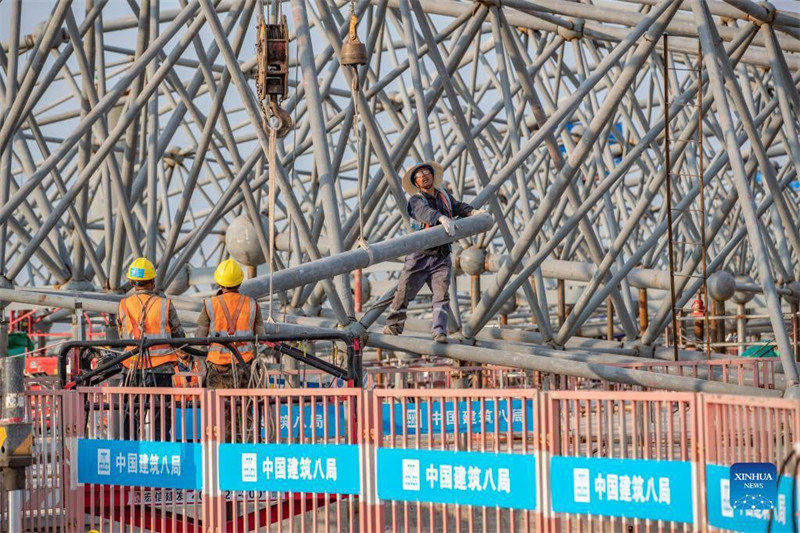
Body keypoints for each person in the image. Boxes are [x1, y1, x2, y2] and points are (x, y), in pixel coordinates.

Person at [383, 162, 484, 343]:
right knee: (404, 292)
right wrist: (440, 217)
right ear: (416, 183)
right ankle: (393, 325)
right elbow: (423, 213)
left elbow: (457, 206)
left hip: (441, 256)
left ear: (431, 175)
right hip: (420, 254)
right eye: (419, 175)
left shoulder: (443, 195)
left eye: (425, 172)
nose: (423, 176)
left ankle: (439, 332)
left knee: (441, 296)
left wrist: (472, 212)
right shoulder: (416, 201)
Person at [117, 257, 185, 439]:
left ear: (132, 282)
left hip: (132, 369)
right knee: (161, 419)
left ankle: (129, 451)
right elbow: (179, 336)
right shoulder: (164, 304)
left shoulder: (123, 305)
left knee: (131, 417)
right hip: (161, 370)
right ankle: (162, 453)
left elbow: (122, 335)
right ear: (153, 281)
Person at [196, 258, 265, 389]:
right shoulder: (252, 304)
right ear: (239, 282)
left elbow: (199, 336)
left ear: (219, 282)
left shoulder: (210, 304)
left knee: (217, 406)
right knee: (245, 405)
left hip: (217, 366)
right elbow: (261, 336)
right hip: (245, 364)